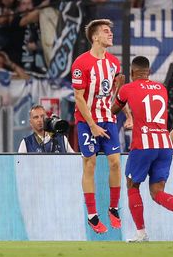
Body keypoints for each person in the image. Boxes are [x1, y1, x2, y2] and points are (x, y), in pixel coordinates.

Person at [110, 55, 173, 242]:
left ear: (132, 73)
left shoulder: (127, 88)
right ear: (149, 72)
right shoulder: (162, 89)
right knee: (157, 192)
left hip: (143, 144)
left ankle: (141, 233)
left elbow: (112, 111)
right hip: (164, 144)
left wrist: (117, 88)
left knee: (132, 186)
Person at [71, 19, 124, 234]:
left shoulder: (113, 63)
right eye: (106, 31)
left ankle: (113, 208)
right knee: (90, 164)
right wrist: (91, 124)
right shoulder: (80, 64)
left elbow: (114, 93)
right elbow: (78, 97)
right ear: (95, 37)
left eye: (111, 31)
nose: (110, 34)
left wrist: (126, 114)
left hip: (108, 119)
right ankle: (92, 215)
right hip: (86, 121)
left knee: (115, 163)